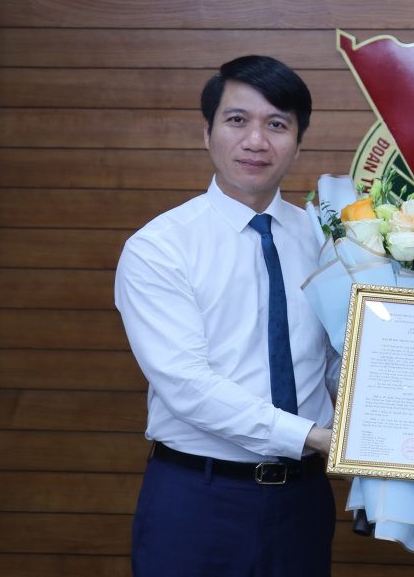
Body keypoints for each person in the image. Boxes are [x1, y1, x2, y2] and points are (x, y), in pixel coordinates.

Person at [115, 55, 340, 576]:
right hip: (199, 499)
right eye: (237, 120)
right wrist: (313, 437)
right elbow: (187, 384)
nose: (256, 141)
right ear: (207, 133)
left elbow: (332, 359)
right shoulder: (160, 247)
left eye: (277, 125)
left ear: (298, 142)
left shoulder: (324, 241)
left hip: (304, 500)